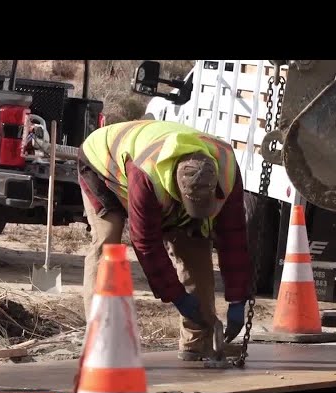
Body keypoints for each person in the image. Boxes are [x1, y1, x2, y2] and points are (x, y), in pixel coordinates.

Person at [76, 119, 252, 361]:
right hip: (102, 163)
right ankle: (99, 341)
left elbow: (234, 236)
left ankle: (197, 342)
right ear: (176, 191)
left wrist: (238, 298)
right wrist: (177, 296)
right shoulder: (147, 176)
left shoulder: (227, 169)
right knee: (109, 242)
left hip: (148, 165)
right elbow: (146, 245)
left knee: (195, 244)